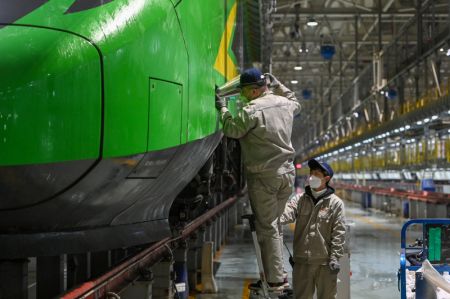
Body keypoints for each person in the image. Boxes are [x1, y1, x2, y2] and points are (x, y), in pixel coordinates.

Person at [215, 68, 301, 291]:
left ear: (254, 90)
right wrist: (278, 83)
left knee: (269, 227)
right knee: (276, 224)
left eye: (244, 92)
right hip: (287, 175)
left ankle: (275, 281)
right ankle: (278, 273)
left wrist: (223, 109)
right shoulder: (285, 104)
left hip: (264, 177)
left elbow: (232, 130)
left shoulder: (252, 110)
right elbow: (294, 99)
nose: (242, 96)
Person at [281, 159, 346, 299]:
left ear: (326, 178)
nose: (312, 177)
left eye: (317, 174)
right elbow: (285, 214)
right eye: (311, 173)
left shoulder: (336, 204)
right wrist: (270, 216)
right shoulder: (299, 199)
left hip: (326, 264)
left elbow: (339, 233)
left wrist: (335, 257)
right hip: (302, 263)